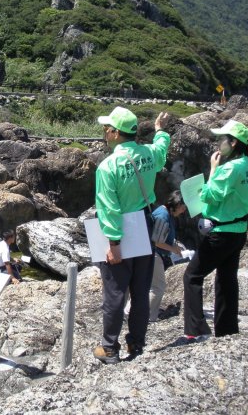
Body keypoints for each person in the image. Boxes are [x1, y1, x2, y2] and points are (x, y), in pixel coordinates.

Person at [93, 107, 170, 364]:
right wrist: (161, 131)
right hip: (145, 225)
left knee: (115, 292)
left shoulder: (108, 166)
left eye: (107, 128)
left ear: (115, 133)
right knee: (140, 290)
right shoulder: (148, 154)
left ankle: (109, 348)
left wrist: (113, 243)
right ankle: (136, 342)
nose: (104, 132)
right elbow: (160, 150)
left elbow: (109, 208)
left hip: (122, 231)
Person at [183, 120, 248, 340]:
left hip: (221, 232)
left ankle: (196, 329)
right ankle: (227, 330)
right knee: (226, 280)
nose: (218, 142)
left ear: (233, 143)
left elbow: (210, 196)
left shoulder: (230, 168)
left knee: (192, 275)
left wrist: (213, 170)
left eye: (222, 139)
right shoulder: (247, 165)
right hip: (238, 229)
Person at [124, 190, 186, 322]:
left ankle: (130, 311)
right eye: (183, 207)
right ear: (177, 204)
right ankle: (146, 317)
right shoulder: (163, 216)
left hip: (150, 252)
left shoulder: (165, 213)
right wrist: (174, 249)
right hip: (154, 253)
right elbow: (157, 241)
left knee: (145, 285)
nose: (184, 210)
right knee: (158, 287)